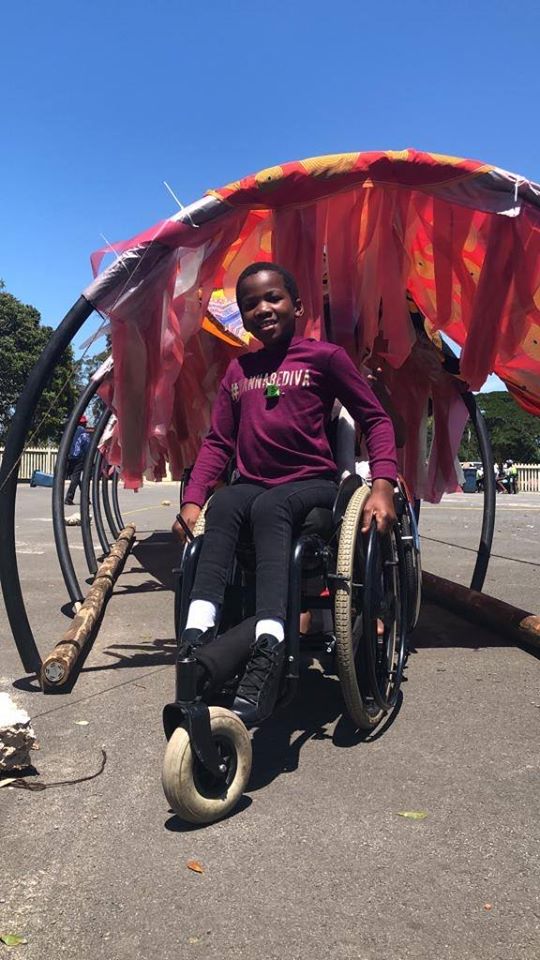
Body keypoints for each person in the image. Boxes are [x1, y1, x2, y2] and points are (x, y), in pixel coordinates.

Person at [173, 262, 398, 724]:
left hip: (310, 487)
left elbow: (375, 419)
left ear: (297, 306)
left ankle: (269, 648)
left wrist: (382, 485)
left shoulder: (325, 358)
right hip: (253, 488)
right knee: (226, 503)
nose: (262, 308)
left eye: (272, 298)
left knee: (270, 506)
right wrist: (193, 500)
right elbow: (217, 443)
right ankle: (196, 636)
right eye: (250, 304)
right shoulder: (238, 371)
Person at [65, 415, 90, 505]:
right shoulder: (83, 433)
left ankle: (86, 498)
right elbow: (87, 446)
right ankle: (69, 497)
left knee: (76, 477)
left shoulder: (71, 431)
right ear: (84, 423)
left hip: (70, 456)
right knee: (76, 477)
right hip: (79, 457)